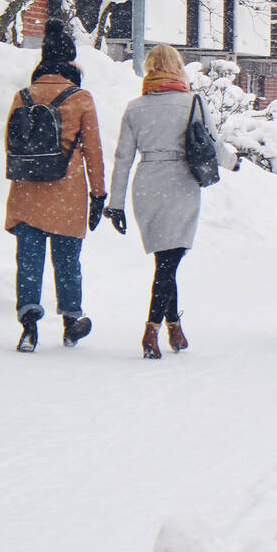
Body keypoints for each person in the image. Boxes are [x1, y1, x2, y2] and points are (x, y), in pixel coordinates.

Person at [4, 20, 107, 352]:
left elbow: (11, 142)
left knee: (29, 260)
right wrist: (98, 194)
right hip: (67, 191)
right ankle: (71, 321)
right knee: (66, 260)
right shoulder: (80, 98)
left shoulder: (23, 96)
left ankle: (29, 325)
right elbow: (93, 152)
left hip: (26, 190)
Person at [106, 44, 210, 360]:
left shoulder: (135, 108)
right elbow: (211, 143)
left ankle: (174, 326)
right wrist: (233, 162)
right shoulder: (192, 103)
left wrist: (117, 202)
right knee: (168, 262)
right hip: (180, 182)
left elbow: (123, 158)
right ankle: (151, 329)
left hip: (147, 183)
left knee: (165, 259)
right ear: (177, 67)